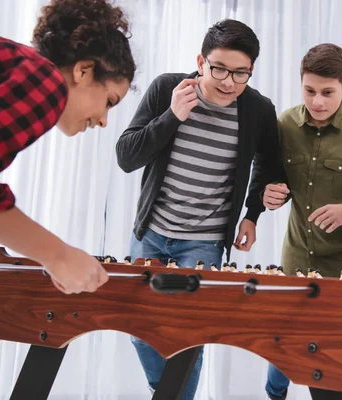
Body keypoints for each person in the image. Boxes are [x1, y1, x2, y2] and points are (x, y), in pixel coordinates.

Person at [115, 19, 285, 399]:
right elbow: (126, 157)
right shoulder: (167, 90)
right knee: (142, 331)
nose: (228, 82)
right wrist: (172, 115)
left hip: (204, 242)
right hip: (152, 232)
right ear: (200, 61)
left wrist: (253, 213)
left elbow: (271, 168)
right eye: (219, 69)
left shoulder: (257, 109)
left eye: (241, 74)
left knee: (187, 338)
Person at [0, 0, 136, 295]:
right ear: (83, 71)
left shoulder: (15, 64)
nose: (104, 121)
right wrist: (59, 256)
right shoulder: (46, 80)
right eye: (109, 101)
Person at [261, 43, 342, 400]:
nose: (318, 102)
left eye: (328, 92)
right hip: (296, 257)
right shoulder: (284, 124)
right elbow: (269, 176)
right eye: (309, 91)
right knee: (285, 342)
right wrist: (269, 194)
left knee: (331, 371)